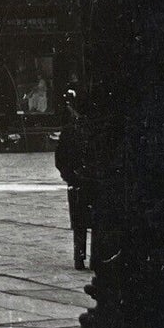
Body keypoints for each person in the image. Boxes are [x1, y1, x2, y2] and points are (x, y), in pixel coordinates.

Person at [55, 98, 94, 270]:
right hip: (92, 180)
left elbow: (60, 158)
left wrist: (68, 176)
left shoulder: (69, 131)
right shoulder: (95, 130)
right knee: (96, 222)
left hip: (77, 180)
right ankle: (95, 259)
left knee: (79, 223)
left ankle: (79, 257)